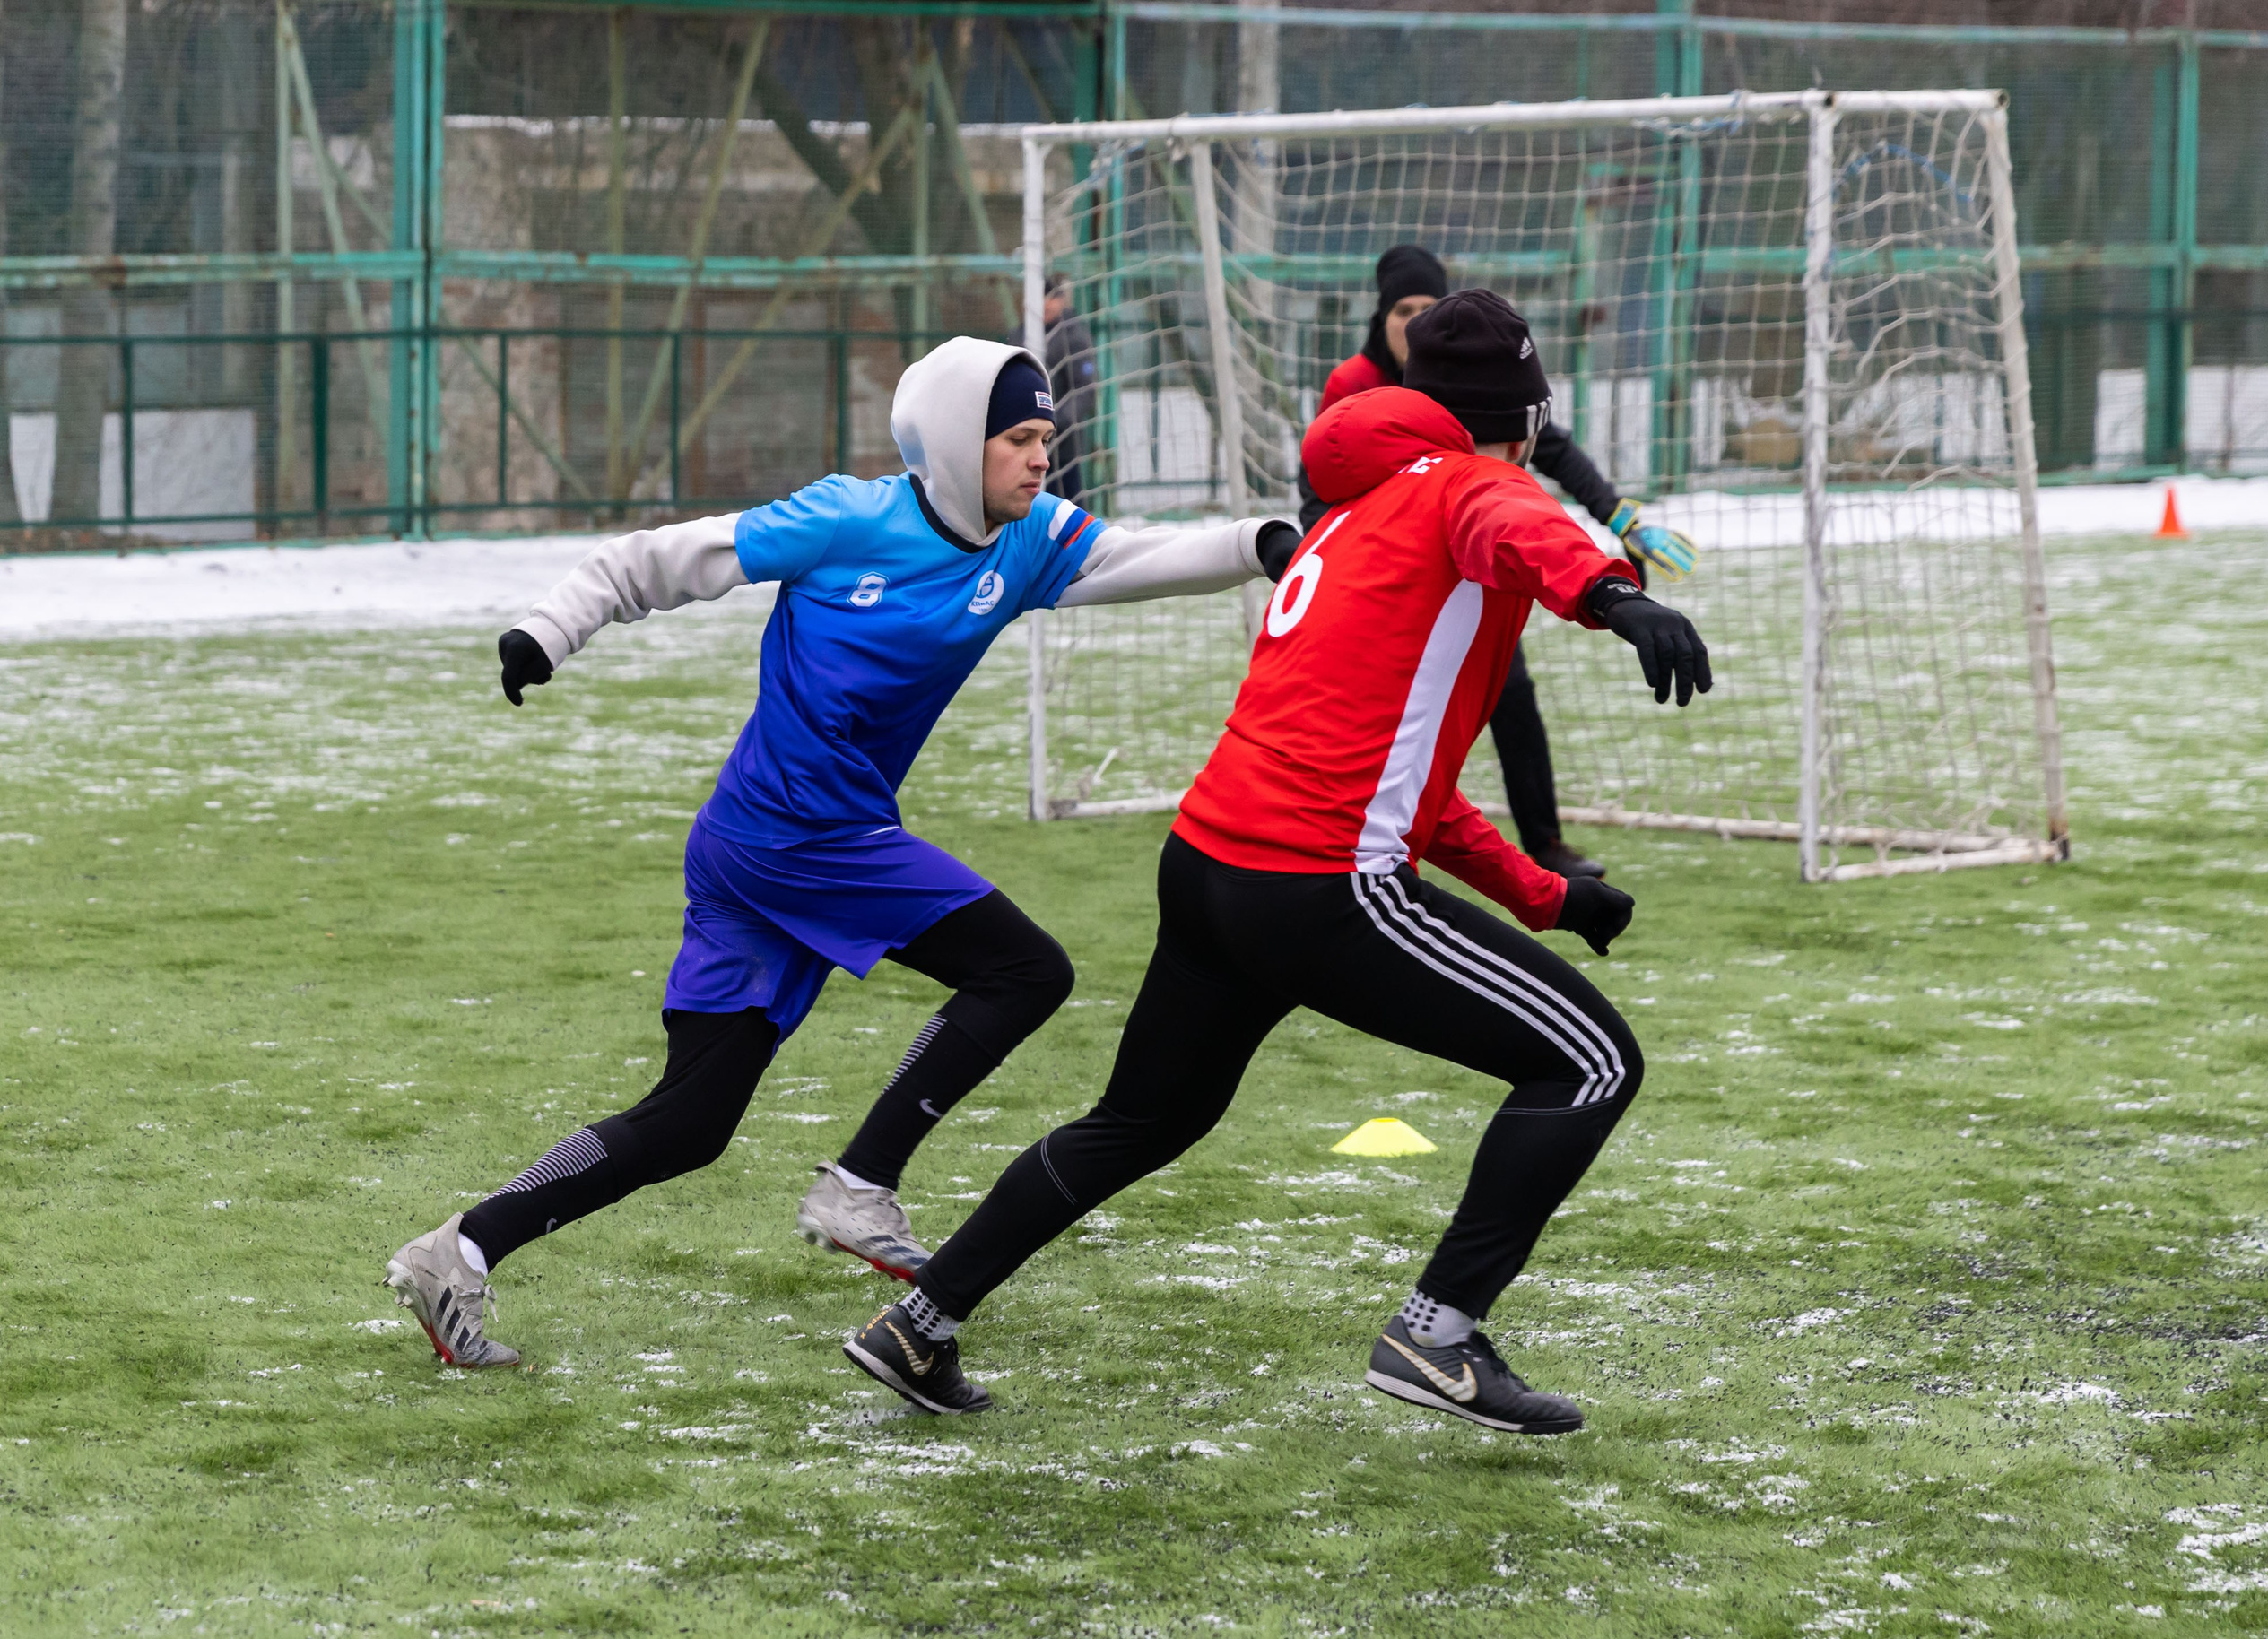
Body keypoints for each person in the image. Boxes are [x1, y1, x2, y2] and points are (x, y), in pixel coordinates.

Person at [841, 291, 1711, 1433]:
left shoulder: (1357, 509)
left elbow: (1410, 784)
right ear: (1528, 417)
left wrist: (1547, 895)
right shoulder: (1472, 486)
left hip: (1210, 862)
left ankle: (924, 1319)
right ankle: (1438, 1334)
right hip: (1314, 883)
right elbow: (1520, 525)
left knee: (1141, 1119)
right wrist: (1611, 595)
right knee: (1593, 1061)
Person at [383, 337, 1302, 1369]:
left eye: (1047, 437)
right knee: (1026, 968)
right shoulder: (846, 518)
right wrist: (547, 631)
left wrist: (1257, 540)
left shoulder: (1029, 540)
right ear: (959, 443)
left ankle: (458, 1248)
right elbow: (650, 561)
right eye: (1017, 437)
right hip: (795, 836)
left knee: (690, 1120)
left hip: (757, 844)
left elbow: (1128, 557)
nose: (1041, 458)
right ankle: (861, 1181)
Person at [1300, 246, 1701, 882]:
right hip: (1384, 588)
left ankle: (1543, 843)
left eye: (1427, 310)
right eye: (1403, 311)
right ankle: (1351, 844)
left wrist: (1617, 520)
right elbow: (1325, 489)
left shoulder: (1476, 406)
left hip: (1464, 575)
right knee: (1382, 727)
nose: (1415, 323)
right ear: (1380, 319)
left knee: (1509, 697)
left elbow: (1534, 467)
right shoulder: (1354, 386)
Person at [1007, 273, 1097, 503]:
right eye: (1040, 297)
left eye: (1051, 297)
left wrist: (1052, 423)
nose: (1045, 304)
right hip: (1023, 439)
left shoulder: (1073, 336)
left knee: (1066, 505)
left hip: (1063, 446)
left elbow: (1085, 390)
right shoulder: (1019, 335)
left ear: (1061, 300)